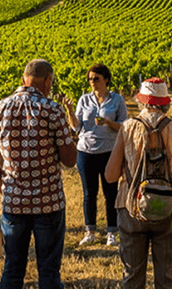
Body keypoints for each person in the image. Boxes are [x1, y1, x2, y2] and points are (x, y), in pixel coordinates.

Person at [0, 59, 78, 289]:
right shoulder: (53, 109)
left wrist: (0, 185)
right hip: (49, 202)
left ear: (23, 79)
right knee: (49, 271)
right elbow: (69, 159)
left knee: (13, 269)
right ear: (47, 80)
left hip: (13, 201)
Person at [104, 78, 172, 289]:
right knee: (166, 278)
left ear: (141, 102)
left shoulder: (127, 128)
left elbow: (110, 176)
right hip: (169, 208)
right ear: (166, 103)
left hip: (131, 207)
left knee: (132, 275)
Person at [68, 64, 128, 246]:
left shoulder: (117, 100)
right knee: (89, 193)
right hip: (86, 151)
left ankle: (112, 232)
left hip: (109, 151)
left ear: (106, 80)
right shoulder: (84, 100)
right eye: (90, 79)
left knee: (111, 192)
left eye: (96, 79)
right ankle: (90, 231)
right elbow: (76, 128)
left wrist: (109, 122)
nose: (92, 82)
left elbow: (124, 127)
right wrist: (70, 112)